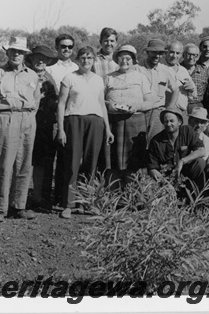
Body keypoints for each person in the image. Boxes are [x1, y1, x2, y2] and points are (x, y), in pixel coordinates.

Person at [0, 37, 42, 222]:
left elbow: (36, 99)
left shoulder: (32, 75)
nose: (17, 54)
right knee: (3, 164)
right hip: (5, 118)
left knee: (24, 164)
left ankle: (19, 206)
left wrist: (28, 117)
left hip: (27, 119)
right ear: (7, 52)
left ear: (25, 55)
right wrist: (2, 118)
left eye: (20, 52)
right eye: (13, 51)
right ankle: (0, 208)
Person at [56, 46, 114, 219]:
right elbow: (61, 104)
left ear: (94, 60)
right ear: (78, 59)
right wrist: (61, 129)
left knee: (91, 163)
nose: (86, 61)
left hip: (95, 122)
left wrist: (108, 129)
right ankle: (69, 204)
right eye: (83, 58)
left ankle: (87, 202)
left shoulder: (98, 80)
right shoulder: (70, 78)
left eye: (89, 58)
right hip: (74, 121)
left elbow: (102, 104)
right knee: (73, 162)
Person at [103, 45, 156, 186]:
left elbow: (150, 101)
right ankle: (112, 196)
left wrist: (137, 106)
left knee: (134, 162)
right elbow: (99, 100)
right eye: (121, 57)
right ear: (116, 59)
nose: (124, 61)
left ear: (133, 60)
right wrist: (108, 104)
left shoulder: (141, 77)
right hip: (114, 122)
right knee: (113, 161)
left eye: (128, 58)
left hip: (136, 121)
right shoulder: (108, 78)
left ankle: (132, 196)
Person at [26, 44, 60, 210]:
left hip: (45, 126)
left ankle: (41, 198)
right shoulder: (26, 76)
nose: (40, 61)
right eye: (37, 58)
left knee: (43, 162)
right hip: (27, 123)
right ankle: (21, 197)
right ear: (31, 60)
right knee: (25, 161)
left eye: (44, 58)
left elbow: (55, 102)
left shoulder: (49, 78)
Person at [47, 33, 77, 206]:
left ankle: (61, 196)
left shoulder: (76, 67)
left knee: (66, 157)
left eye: (70, 47)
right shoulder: (51, 68)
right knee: (50, 156)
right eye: (63, 46)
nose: (66, 49)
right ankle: (45, 196)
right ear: (57, 47)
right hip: (51, 116)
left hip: (70, 116)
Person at [147, 109, 207, 193]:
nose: (168, 124)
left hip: (185, 174)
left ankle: (194, 193)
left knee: (200, 162)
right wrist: (165, 184)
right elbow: (152, 168)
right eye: (166, 121)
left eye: (172, 121)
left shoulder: (187, 131)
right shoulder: (156, 141)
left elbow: (201, 151)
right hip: (166, 178)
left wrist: (182, 161)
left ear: (179, 122)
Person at [137, 39, 179, 143]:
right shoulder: (137, 68)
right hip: (140, 112)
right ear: (147, 52)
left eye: (160, 53)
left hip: (157, 113)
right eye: (154, 52)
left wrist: (169, 109)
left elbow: (175, 89)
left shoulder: (165, 70)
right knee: (139, 144)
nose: (157, 56)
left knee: (154, 143)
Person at [164, 40, 197, 116]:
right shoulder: (159, 68)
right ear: (166, 52)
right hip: (165, 112)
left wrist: (191, 90)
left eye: (178, 53)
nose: (174, 56)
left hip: (181, 112)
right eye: (172, 52)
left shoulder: (183, 70)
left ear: (181, 54)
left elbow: (192, 95)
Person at [180, 42, 206, 113]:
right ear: (183, 55)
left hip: (197, 106)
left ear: (198, 57)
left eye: (194, 55)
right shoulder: (177, 69)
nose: (191, 58)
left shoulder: (203, 71)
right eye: (188, 54)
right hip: (180, 106)